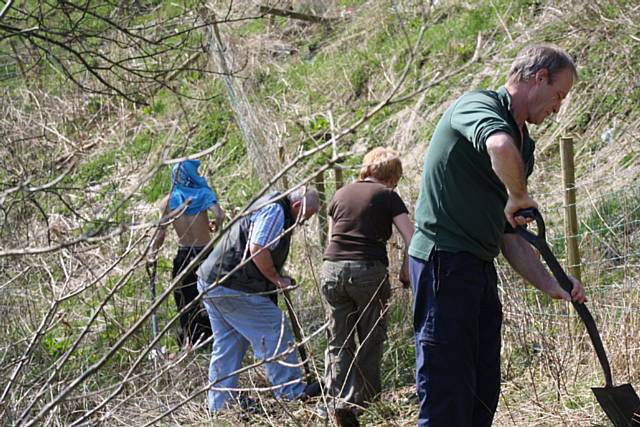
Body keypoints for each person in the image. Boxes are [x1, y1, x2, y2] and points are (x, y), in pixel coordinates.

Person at [408, 44, 587, 427]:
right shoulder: (478, 106)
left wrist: (551, 282)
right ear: (539, 78)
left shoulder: (525, 147)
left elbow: (510, 235)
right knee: (447, 393)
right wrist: (520, 196)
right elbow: (498, 145)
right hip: (443, 262)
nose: (558, 107)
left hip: (477, 267)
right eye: (558, 95)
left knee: (482, 391)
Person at [196, 186, 321, 413]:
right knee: (276, 329)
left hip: (214, 281)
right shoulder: (275, 210)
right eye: (306, 216)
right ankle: (290, 394)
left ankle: (219, 407)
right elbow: (258, 248)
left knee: (229, 343)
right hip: (230, 285)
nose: (304, 222)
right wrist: (277, 279)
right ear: (297, 206)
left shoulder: (271, 204)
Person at [321, 147, 414, 426]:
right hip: (367, 271)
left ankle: (335, 401)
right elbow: (412, 238)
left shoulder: (340, 194)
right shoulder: (388, 196)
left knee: (338, 340)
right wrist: (406, 272)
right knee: (371, 337)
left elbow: (331, 240)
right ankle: (364, 402)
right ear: (393, 175)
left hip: (332, 270)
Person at [150, 159, 225, 346]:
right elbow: (220, 213)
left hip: (184, 254)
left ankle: (190, 341)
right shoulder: (203, 193)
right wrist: (217, 224)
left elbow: (161, 231)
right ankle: (214, 336)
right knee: (211, 297)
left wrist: (152, 253)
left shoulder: (167, 202)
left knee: (185, 299)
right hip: (206, 253)